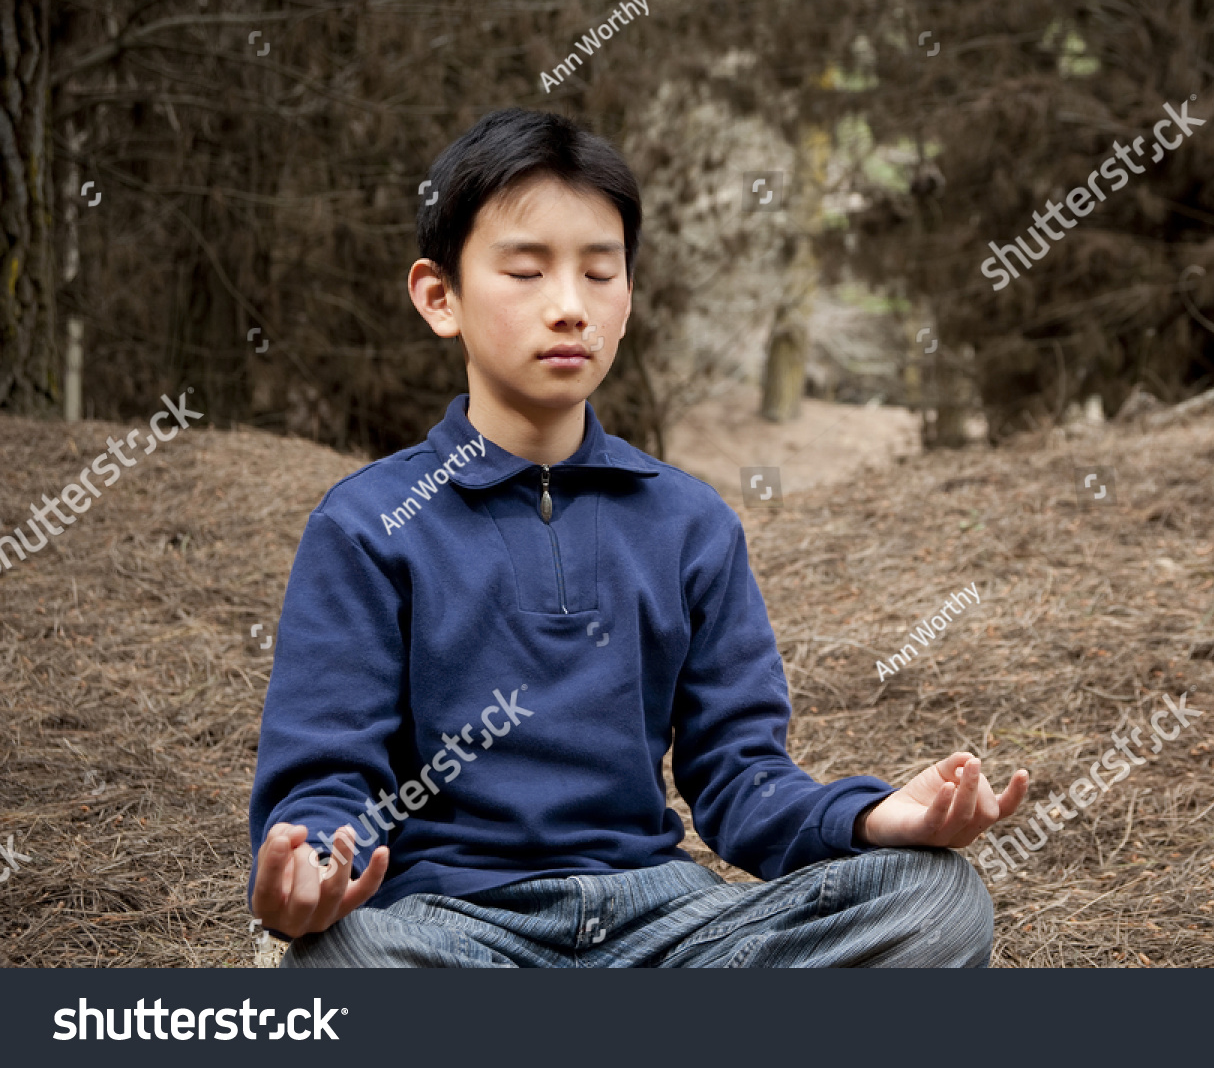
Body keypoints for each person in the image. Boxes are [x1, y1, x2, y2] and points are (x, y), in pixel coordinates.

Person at [247, 108, 1030, 968]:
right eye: (526, 271)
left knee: (938, 900)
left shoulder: (691, 524)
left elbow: (740, 778)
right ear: (441, 298)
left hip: (663, 929)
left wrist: (874, 819)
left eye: (599, 272)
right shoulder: (366, 526)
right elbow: (322, 779)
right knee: (344, 957)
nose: (569, 308)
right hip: (453, 931)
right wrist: (312, 870)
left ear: (629, 295)